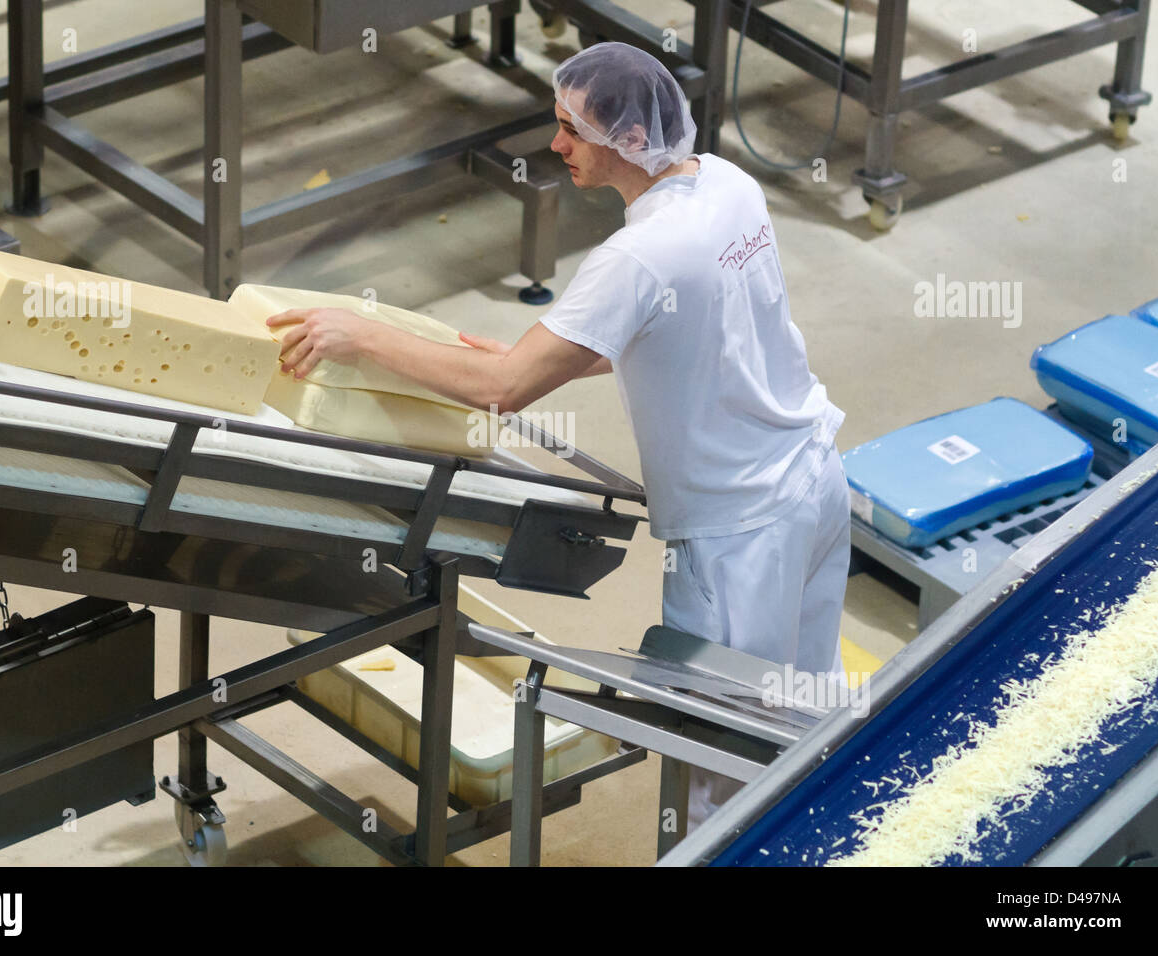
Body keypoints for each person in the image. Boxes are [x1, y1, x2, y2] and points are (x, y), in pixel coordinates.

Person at [267, 41, 849, 829]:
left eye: (573, 129)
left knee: (720, 764)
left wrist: (359, 335)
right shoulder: (727, 185)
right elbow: (686, 331)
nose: (556, 145)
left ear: (632, 141)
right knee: (808, 715)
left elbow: (502, 393)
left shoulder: (636, 257)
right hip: (814, 481)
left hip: (737, 532)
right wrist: (535, 359)